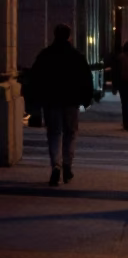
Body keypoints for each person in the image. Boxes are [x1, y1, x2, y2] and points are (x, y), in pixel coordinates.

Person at [27, 24, 93, 186]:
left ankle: (56, 165)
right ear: (69, 36)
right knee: (70, 133)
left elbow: (35, 78)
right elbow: (86, 79)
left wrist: (35, 100)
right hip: (71, 101)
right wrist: (86, 100)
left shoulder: (46, 55)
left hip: (51, 101)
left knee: (54, 133)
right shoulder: (76, 56)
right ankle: (67, 164)